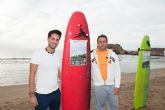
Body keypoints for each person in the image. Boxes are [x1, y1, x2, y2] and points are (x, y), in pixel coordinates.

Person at [29, 30, 62, 110]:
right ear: (48, 39)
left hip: (56, 93)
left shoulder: (57, 54)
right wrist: (32, 95)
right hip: (42, 95)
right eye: (53, 39)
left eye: (57, 40)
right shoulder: (37, 54)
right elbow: (32, 75)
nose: (55, 42)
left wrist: (69, 83)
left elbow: (57, 72)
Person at [91, 34, 121, 110]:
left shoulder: (113, 55)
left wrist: (117, 85)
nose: (102, 43)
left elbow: (117, 70)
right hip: (98, 86)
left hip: (111, 85)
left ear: (107, 42)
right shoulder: (91, 55)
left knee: (114, 107)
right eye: (100, 42)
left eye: (104, 41)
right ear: (97, 43)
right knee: (99, 107)